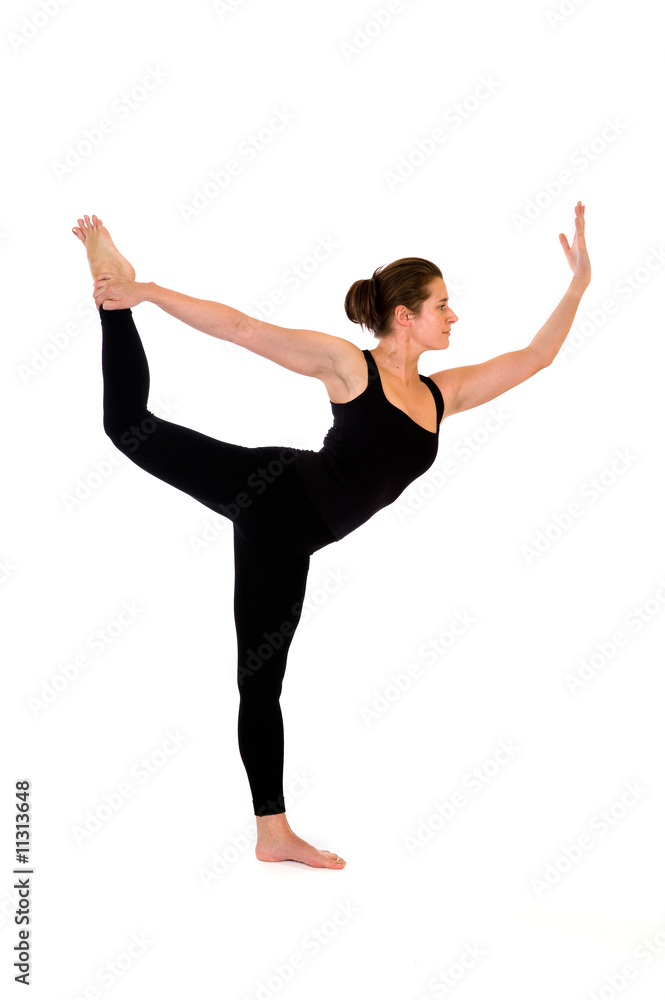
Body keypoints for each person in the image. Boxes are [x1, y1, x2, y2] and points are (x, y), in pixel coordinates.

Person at [72, 203, 591, 868]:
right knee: (130, 427)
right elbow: (240, 328)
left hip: (296, 538)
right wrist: (143, 293)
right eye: (442, 305)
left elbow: (537, 357)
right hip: (270, 495)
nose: (453, 315)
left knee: (264, 683)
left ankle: (270, 836)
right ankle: (113, 296)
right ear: (404, 317)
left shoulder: (439, 396)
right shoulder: (349, 366)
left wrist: (576, 283)